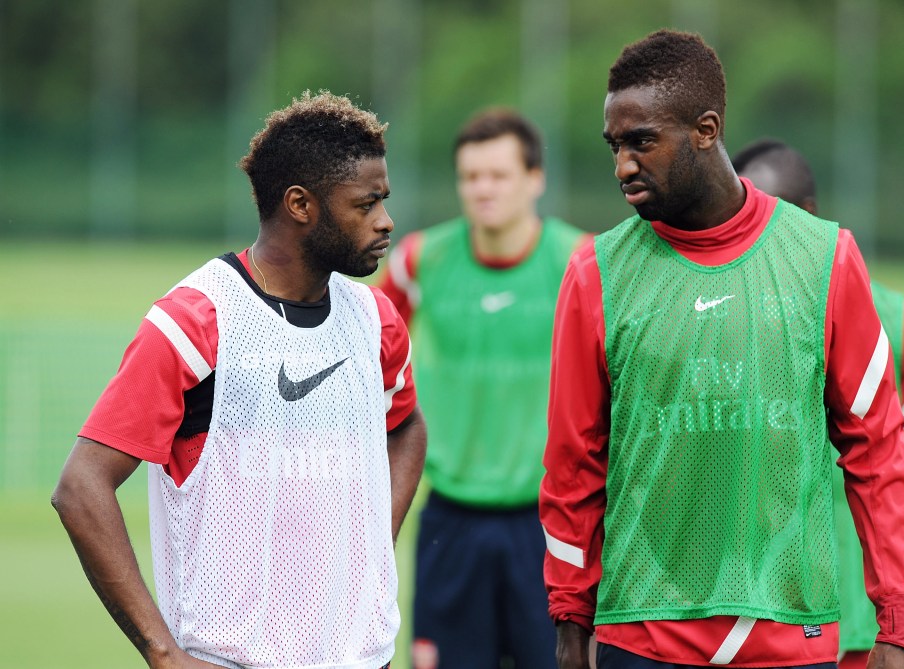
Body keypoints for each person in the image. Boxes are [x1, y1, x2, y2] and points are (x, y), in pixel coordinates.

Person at [539, 29, 904, 669]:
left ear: (707, 129)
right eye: (614, 146)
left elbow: (878, 448)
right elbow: (573, 468)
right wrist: (570, 627)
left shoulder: (826, 257)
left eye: (642, 142)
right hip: (643, 633)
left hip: (790, 634)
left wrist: (896, 627)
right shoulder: (594, 274)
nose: (623, 166)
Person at [52, 90, 427, 669]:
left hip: (362, 657)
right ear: (301, 205)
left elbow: (407, 429)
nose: (386, 221)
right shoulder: (196, 321)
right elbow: (81, 487)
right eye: (366, 204)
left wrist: (374, 544)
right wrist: (163, 654)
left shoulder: (375, 319)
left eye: (385, 201)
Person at [732, 138, 904, 669]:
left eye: (775, 211)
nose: (760, 229)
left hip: (864, 632)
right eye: (747, 210)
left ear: (811, 216)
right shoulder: (716, 315)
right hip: (738, 626)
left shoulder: (900, 325)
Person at [378, 107, 587, 668]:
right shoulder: (419, 261)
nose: (482, 189)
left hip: (550, 526)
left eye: (498, 175)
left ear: (535, 179)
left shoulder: (581, 263)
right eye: (470, 177)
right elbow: (366, 364)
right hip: (451, 519)